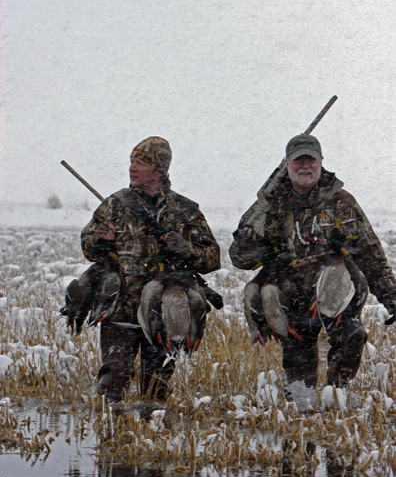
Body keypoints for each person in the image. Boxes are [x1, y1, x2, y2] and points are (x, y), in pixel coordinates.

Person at [230, 133, 396, 389]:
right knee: (298, 354)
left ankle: (335, 393)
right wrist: (246, 243)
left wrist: (390, 296)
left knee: (352, 335)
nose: (305, 165)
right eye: (298, 160)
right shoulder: (268, 207)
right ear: (287, 164)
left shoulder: (342, 202)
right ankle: (302, 401)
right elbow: (240, 260)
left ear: (321, 162)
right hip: (291, 291)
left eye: (311, 159)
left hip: (336, 286)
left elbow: (370, 254)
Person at [81, 136, 221, 401]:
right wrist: (97, 238)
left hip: (164, 312)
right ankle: (111, 437)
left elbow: (213, 258)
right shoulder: (114, 205)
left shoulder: (185, 210)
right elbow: (88, 249)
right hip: (119, 310)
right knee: (112, 383)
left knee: (158, 387)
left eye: (141, 163)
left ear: (159, 170)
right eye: (131, 161)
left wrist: (186, 248)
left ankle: (153, 433)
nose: (132, 168)